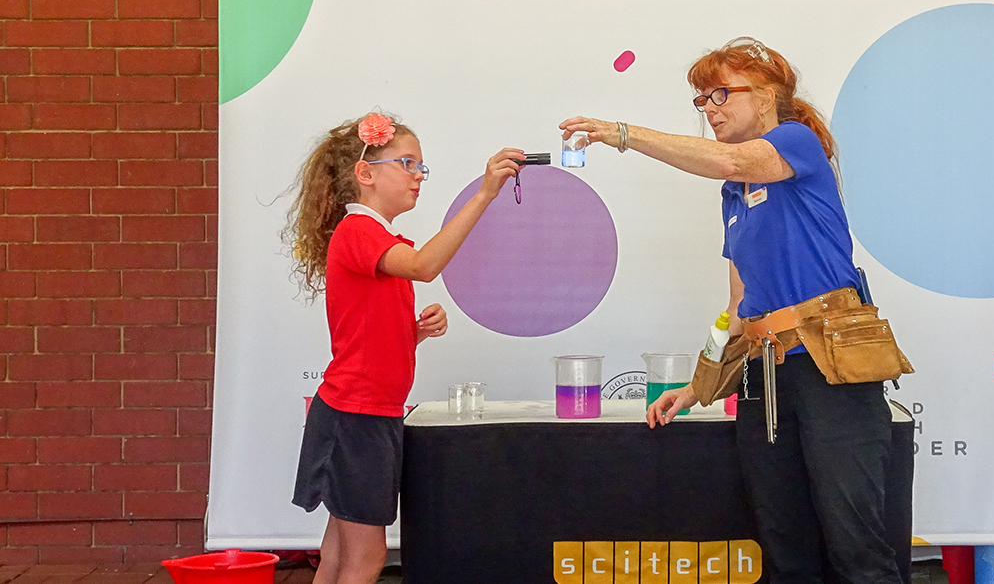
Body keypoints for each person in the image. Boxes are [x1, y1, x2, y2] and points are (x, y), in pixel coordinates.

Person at [560, 38, 902, 584]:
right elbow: (737, 310)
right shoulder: (734, 194)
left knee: (854, 538)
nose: (709, 108)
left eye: (721, 93)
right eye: (702, 100)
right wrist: (699, 385)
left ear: (766, 96)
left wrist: (623, 135)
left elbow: (729, 157)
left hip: (828, 363)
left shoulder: (796, 142)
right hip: (766, 374)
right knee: (785, 539)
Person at [284, 112, 522, 584]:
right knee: (367, 557)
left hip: (365, 414)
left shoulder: (376, 238)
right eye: (407, 163)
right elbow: (425, 265)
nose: (418, 176)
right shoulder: (360, 231)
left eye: (421, 167)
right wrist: (485, 193)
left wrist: (413, 332)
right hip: (356, 417)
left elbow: (366, 336)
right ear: (365, 174)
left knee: (337, 553)